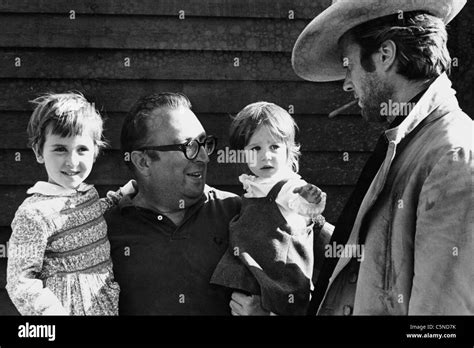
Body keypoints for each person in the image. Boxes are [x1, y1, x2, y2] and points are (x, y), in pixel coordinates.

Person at [288, 0, 472, 315]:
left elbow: (441, 324)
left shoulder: (451, 157)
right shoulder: (404, 143)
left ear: (385, 55)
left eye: (349, 65)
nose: (347, 83)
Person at [105, 92, 241, 315]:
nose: (204, 157)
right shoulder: (103, 229)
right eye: (188, 146)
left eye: (204, 143)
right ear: (143, 162)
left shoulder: (236, 213)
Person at [6, 92, 134, 315]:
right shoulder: (34, 213)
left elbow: (93, 214)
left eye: (82, 149)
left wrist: (127, 191)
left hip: (103, 305)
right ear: (39, 151)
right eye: (60, 149)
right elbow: (20, 282)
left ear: (95, 152)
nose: (72, 161)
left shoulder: (88, 195)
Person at [210, 101, 327, 315]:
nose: (266, 156)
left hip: (279, 274)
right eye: (256, 148)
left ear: (288, 149)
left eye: (274, 146)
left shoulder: (289, 185)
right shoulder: (254, 184)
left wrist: (311, 199)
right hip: (252, 271)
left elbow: (304, 208)